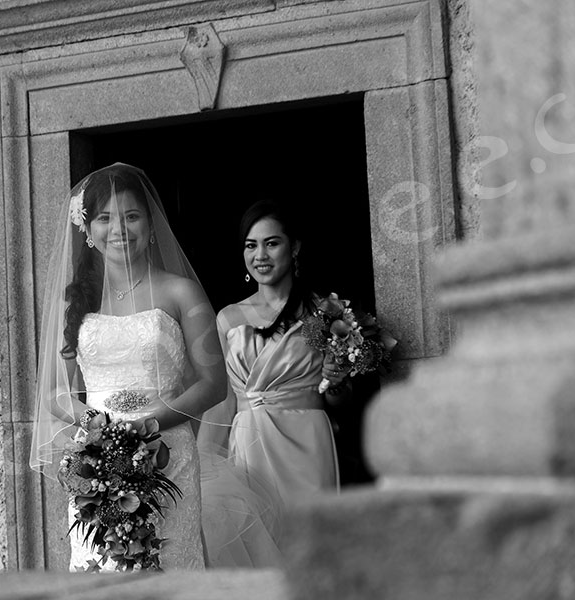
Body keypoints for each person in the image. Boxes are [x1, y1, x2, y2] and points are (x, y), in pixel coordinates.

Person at [30, 163, 226, 572]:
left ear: (150, 223)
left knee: (168, 563)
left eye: (131, 216)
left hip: (167, 454)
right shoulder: (77, 300)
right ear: (88, 228)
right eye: (105, 218)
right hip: (97, 458)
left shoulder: (180, 291)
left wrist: (147, 425)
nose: (119, 228)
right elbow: (54, 393)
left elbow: (213, 384)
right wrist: (100, 429)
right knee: (101, 568)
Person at [198, 199, 350, 567]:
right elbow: (223, 401)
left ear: (294, 247)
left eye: (272, 243)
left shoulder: (327, 312)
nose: (260, 255)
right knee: (257, 552)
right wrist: (200, 466)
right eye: (251, 245)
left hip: (307, 443)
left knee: (311, 552)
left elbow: (340, 401)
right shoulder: (228, 317)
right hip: (249, 444)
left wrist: (336, 380)